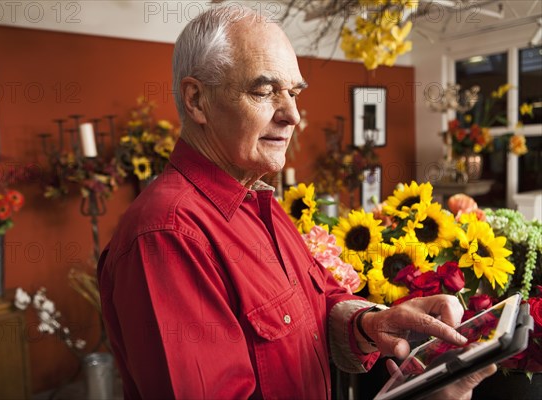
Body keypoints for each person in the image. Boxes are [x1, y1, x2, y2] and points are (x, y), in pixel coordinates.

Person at [97, 6, 496, 399]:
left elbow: (315, 302)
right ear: (197, 100)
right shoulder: (167, 235)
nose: (292, 115)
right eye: (264, 91)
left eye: (294, 92)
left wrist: (371, 323)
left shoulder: (257, 200)